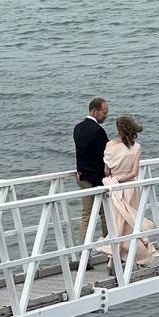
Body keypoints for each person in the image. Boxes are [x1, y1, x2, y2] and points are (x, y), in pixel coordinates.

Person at [97, 116, 159, 269]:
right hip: (130, 188)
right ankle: (133, 255)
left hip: (114, 188)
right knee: (130, 224)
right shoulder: (136, 147)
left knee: (116, 223)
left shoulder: (109, 145)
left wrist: (116, 179)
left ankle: (112, 258)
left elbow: (106, 171)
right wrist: (122, 179)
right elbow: (134, 172)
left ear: (118, 129)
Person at [73, 97, 109, 244]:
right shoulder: (98, 131)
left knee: (86, 216)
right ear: (95, 111)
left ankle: (83, 254)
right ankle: (112, 250)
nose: (106, 116)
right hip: (95, 179)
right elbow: (106, 154)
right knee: (106, 215)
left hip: (82, 176)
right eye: (104, 113)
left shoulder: (78, 128)